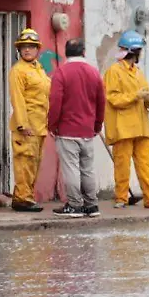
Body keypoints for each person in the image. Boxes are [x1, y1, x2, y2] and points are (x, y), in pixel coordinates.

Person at [103, 30, 149, 210]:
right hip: (123, 127)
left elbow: (145, 96)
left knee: (146, 164)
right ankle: (121, 199)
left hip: (141, 127)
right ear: (134, 51)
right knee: (122, 165)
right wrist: (136, 96)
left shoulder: (138, 73)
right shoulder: (114, 72)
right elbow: (113, 98)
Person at [47, 38, 106, 219]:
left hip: (67, 130)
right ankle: (91, 204)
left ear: (66, 53)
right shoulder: (94, 73)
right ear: (83, 53)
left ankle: (74, 205)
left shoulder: (61, 73)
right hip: (87, 130)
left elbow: (55, 102)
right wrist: (97, 125)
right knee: (87, 169)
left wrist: (52, 125)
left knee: (71, 169)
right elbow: (101, 102)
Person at [7, 28, 51, 212]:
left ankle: (23, 197)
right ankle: (24, 199)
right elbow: (17, 99)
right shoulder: (18, 71)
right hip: (26, 126)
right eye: (24, 47)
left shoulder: (39, 69)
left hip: (40, 125)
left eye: (31, 47)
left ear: (37, 49)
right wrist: (23, 124)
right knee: (24, 162)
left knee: (33, 163)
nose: (27, 50)